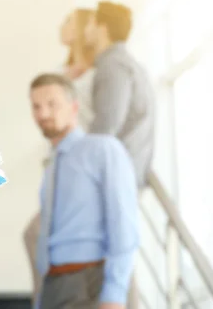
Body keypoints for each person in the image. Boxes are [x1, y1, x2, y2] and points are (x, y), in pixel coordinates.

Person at [29, 73, 139, 309]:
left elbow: (123, 224)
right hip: (53, 286)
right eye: (36, 106)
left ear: (74, 107)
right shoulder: (51, 166)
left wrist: (114, 294)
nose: (43, 114)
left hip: (90, 284)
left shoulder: (103, 150)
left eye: (52, 104)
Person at [23, 8, 96, 301]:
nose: (44, 112)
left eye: (68, 21)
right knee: (37, 236)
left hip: (82, 164)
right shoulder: (62, 70)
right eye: (38, 107)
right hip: (57, 159)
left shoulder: (93, 71)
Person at [84, 1, 155, 189]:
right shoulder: (127, 64)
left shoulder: (113, 66)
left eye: (90, 23)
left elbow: (106, 125)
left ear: (102, 28)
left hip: (117, 174)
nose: (86, 30)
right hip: (126, 169)